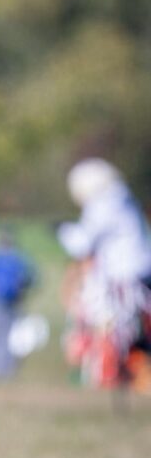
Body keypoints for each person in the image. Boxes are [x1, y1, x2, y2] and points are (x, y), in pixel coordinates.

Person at [58, 158, 151, 388]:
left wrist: (61, 230)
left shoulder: (105, 203)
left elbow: (82, 243)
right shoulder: (122, 198)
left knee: (116, 329)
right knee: (132, 330)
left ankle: (118, 374)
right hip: (135, 275)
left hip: (123, 280)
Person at [0, 225, 33, 379]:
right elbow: (31, 278)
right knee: (10, 338)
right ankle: (7, 371)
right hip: (14, 302)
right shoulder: (19, 258)